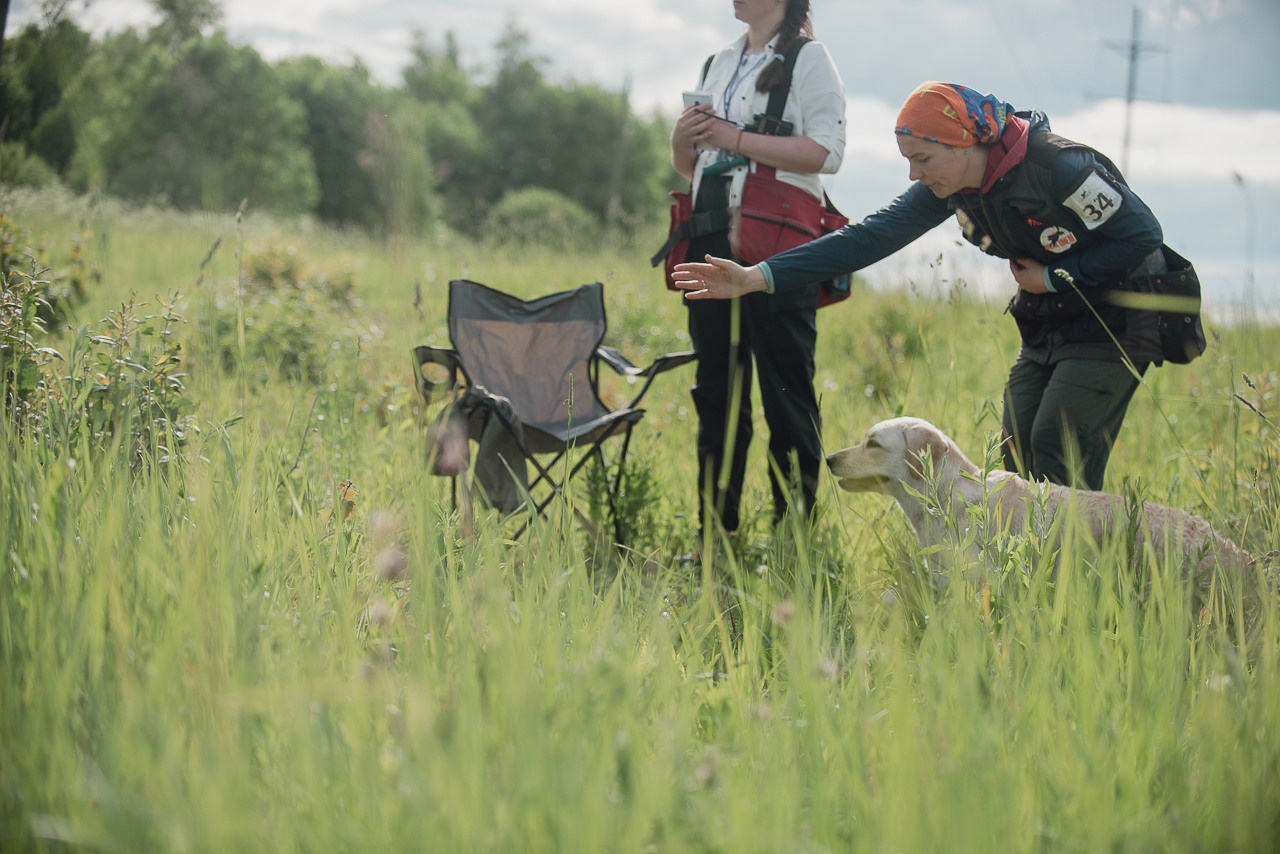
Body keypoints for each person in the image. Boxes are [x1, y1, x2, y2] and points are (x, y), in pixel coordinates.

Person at [673, 81, 1168, 492]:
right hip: (1049, 321)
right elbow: (864, 239)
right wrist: (754, 278)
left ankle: (1077, 596)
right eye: (909, 160)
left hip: (1117, 316)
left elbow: (1143, 235)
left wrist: (1058, 276)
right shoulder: (954, 187)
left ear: (965, 142)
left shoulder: (1058, 166)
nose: (914, 173)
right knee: (1016, 451)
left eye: (923, 158)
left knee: (1056, 449)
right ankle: (1028, 597)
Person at [668, 0, 846, 541]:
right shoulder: (717, 61)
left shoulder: (809, 58)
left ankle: (796, 544)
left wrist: (735, 139)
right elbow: (693, 164)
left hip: (778, 250)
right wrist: (683, 141)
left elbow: (827, 151)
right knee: (716, 396)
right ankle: (715, 541)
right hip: (709, 235)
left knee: (787, 397)